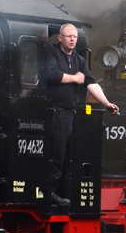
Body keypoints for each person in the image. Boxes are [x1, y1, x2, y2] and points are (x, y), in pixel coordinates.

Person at [37, 22, 120, 206]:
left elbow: (91, 83)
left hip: (67, 112)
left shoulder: (79, 61)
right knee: (53, 152)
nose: (73, 39)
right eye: (69, 36)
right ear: (60, 38)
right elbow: (49, 74)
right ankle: (47, 191)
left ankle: (54, 191)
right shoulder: (51, 52)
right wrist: (75, 78)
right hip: (50, 110)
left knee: (62, 153)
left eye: (75, 36)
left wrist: (106, 103)